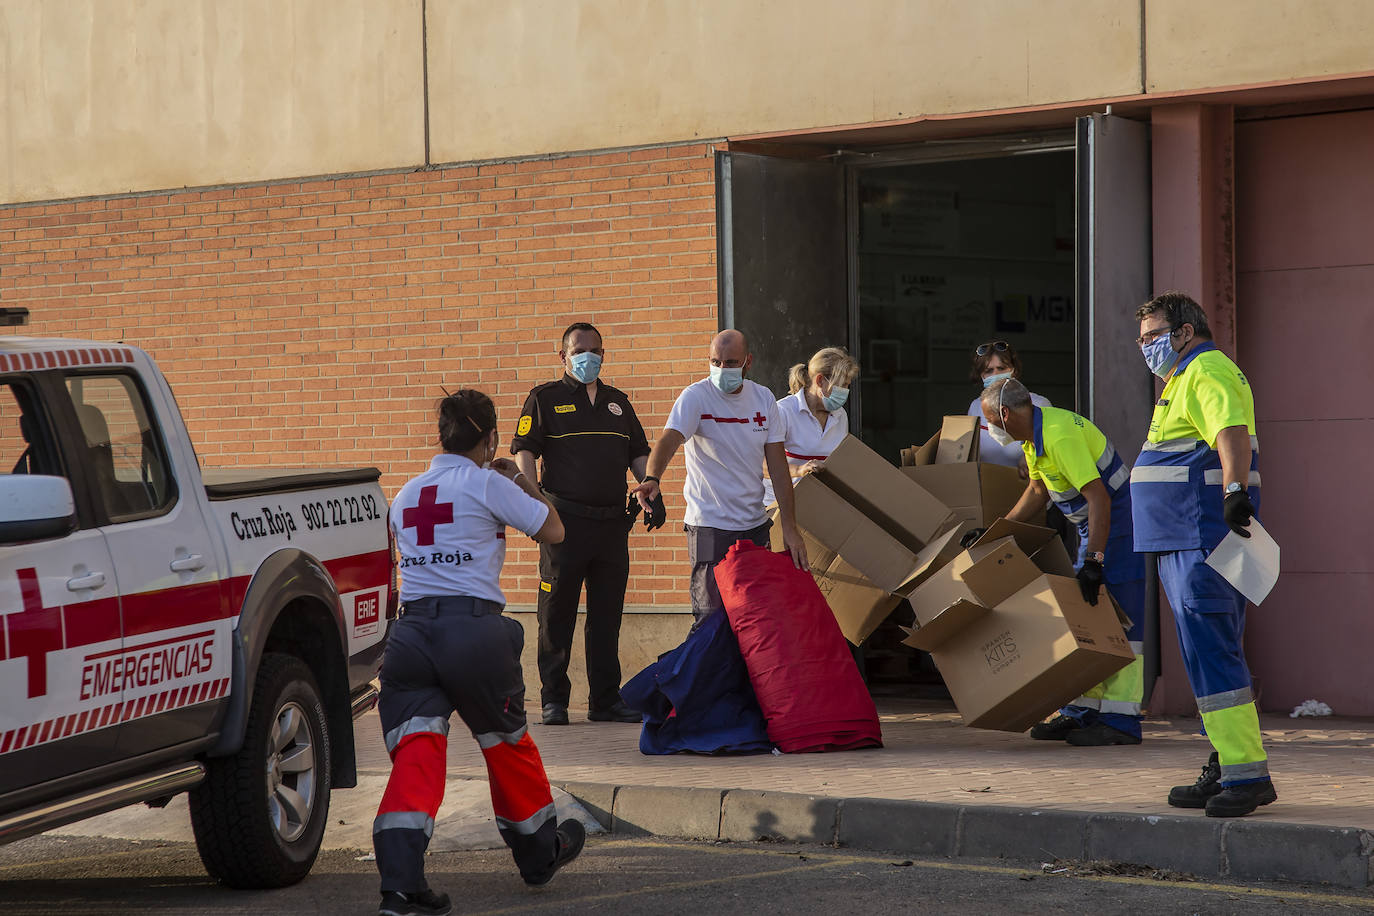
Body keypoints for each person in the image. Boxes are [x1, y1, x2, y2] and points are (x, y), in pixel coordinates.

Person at [374, 390, 584, 916]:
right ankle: (540, 854)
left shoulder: (406, 494)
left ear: (441, 436)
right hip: (472, 634)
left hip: (411, 637)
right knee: (506, 744)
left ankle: (400, 885)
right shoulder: (489, 482)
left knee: (417, 754)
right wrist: (519, 477)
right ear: (490, 438)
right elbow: (554, 528)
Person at [1130, 292, 1274, 818]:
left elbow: (1230, 431)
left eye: (1153, 336)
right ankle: (1227, 761)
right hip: (1178, 538)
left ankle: (1247, 773)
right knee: (1203, 655)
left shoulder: (1208, 369)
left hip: (1201, 536)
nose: (1146, 347)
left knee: (1213, 651)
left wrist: (1235, 491)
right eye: (1141, 339)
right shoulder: (1180, 378)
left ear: (1185, 331)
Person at [978, 377, 1147, 746]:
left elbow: (1099, 499)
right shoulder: (1033, 437)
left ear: (1005, 414)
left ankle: (1120, 722)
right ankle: (1082, 712)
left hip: (1117, 525)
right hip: (1094, 527)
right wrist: (991, 535)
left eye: (989, 420)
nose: (989, 429)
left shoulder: (1059, 437)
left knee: (1120, 623)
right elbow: (1038, 491)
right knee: (1087, 617)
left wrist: (1095, 562)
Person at [512, 321, 661, 727]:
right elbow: (524, 450)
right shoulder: (544, 399)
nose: (587, 357)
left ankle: (605, 701)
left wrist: (651, 486)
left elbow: (638, 454)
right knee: (556, 614)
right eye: (579, 351)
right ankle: (554, 700)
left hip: (612, 525)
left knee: (606, 615)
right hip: (563, 524)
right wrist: (533, 498)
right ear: (563, 356)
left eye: (594, 350)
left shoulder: (618, 403)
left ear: (603, 355)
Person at [630, 329, 808, 628]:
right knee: (710, 621)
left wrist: (789, 526)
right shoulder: (696, 397)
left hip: (754, 526)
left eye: (730, 362)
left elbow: (778, 466)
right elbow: (670, 439)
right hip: (709, 528)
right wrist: (653, 477)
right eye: (715, 362)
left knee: (754, 620)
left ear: (747, 362)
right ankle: (705, 676)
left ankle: (739, 677)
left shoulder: (763, 398)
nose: (722, 369)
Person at [761, 346, 859, 506]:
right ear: (820, 380)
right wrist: (799, 470)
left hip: (819, 506)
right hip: (779, 506)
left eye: (848, 385)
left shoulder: (840, 415)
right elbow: (761, 465)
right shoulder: (784, 411)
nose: (846, 391)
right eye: (842, 385)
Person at [965, 340, 1051, 468]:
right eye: (989, 370)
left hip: (1027, 483)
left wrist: (1031, 458)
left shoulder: (1039, 404)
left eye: (1001, 368)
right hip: (986, 484)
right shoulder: (975, 407)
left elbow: (1053, 447)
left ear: (1013, 370)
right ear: (981, 375)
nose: (995, 375)